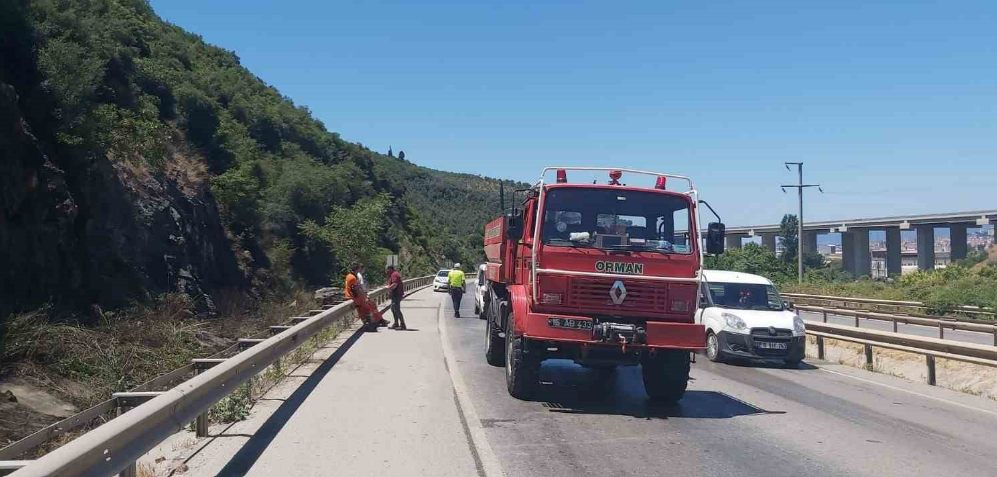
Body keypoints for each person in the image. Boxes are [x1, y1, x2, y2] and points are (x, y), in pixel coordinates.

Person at [345, 263, 387, 331]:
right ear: (357, 269)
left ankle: (370, 324)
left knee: (363, 311)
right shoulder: (353, 277)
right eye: (359, 269)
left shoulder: (349, 276)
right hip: (356, 297)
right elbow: (356, 289)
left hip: (352, 296)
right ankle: (370, 325)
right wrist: (363, 296)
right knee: (366, 311)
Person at [386, 265, 406, 330]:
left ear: (390, 269)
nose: (386, 271)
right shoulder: (394, 274)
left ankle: (403, 325)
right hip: (395, 295)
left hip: (397, 295)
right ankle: (396, 323)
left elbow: (395, 284)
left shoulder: (394, 274)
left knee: (396, 309)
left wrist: (388, 287)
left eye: (387, 270)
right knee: (393, 308)